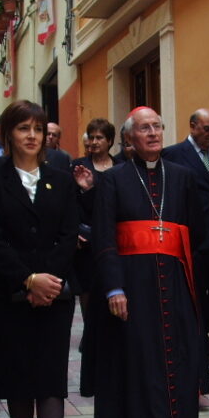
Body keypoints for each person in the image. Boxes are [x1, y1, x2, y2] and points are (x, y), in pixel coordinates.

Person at [0, 100, 78, 418]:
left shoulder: (62, 179)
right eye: (23, 128)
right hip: (9, 294)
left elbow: (70, 235)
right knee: (19, 380)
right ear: (7, 134)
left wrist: (48, 282)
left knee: (51, 380)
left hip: (55, 295)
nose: (32, 135)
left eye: (37, 128)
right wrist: (27, 279)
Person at [92, 106, 204, 418]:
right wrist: (113, 289)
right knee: (138, 365)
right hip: (133, 286)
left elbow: (197, 234)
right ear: (129, 138)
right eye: (144, 128)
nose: (153, 133)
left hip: (176, 284)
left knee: (180, 361)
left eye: (157, 126)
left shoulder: (184, 177)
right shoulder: (113, 179)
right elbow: (104, 239)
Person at [163, 109, 209, 391]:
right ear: (192, 126)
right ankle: (198, 349)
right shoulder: (173, 155)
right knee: (195, 297)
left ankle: (202, 335)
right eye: (206, 129)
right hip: (192, 240)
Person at [71, 118, 117, 396]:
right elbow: (69, 203)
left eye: (99, 137)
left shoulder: (122, 165)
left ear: (110, 141)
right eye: (91, 137)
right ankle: (92, 344)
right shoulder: (77, 166)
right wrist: (76, 232)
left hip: (112, 242)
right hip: (86, 244)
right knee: (88, 295)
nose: (94, 142)